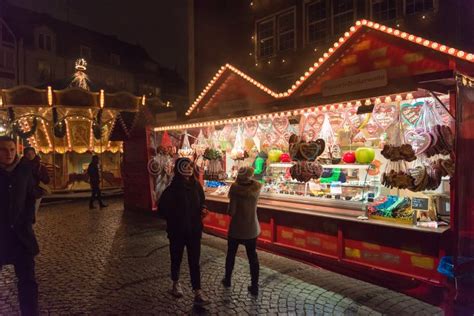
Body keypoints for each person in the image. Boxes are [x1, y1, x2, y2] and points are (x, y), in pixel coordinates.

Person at [158, 157, 209, 306]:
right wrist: (174, 218)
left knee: (195, 261)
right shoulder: (171, 189)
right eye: (185, 166)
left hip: (194, 231)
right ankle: (175, 283)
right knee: (176, 257)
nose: (188, 168)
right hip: (177, 232)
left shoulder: (196, 186)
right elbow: (162, 210)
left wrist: (203, 208)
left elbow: (202, 201)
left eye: (190, 166)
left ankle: (197, 291)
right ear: (179, 169)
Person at [0, 136, 39, 315]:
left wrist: (28, 218)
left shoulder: (24, 170)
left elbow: (31, 195)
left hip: (21, 235)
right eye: (4, 150)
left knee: (28, 281)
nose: (9, 154)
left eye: (12, 150)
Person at [222, 166, 262, 296]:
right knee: (252, 257)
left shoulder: (234, 189)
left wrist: (229, 208)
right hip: (251, 228)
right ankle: (254, 286)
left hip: (236, 229)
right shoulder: (256, 188)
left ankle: (227, 280)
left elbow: (232, 212)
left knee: (231, 255)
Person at [21, 147, 50, 215]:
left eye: (32, 153)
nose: (30, 155)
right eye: (28, 154)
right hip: (24, 193)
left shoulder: (41, 167)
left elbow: (47, 181)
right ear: (25, 155)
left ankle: (31, 225)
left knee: (33, 213)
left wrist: (40, 176)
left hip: (36, 193)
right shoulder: (20, 166)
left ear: (35, 154)